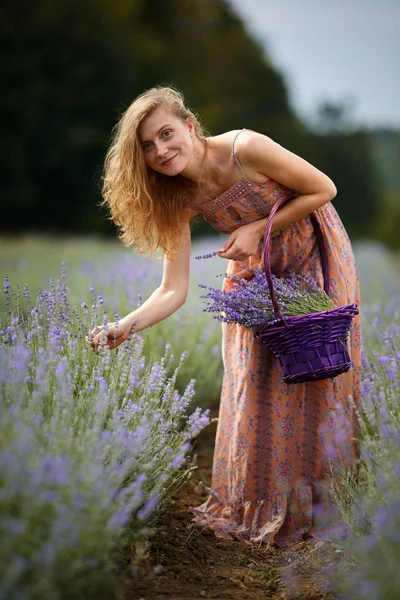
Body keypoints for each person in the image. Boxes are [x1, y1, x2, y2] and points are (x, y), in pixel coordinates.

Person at [90, 86, 361, 548]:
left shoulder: (245, 149)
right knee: (251, 378)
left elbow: (324, 188)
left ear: (190, 126)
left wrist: (258, 226)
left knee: (319, 377)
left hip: (313, 256)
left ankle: (325, 509)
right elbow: (172, 288)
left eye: (167, 134)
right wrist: (123, 327)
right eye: (148, 147)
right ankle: (261, 504)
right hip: (258, 274)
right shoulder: (176, 193)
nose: (161, 151)